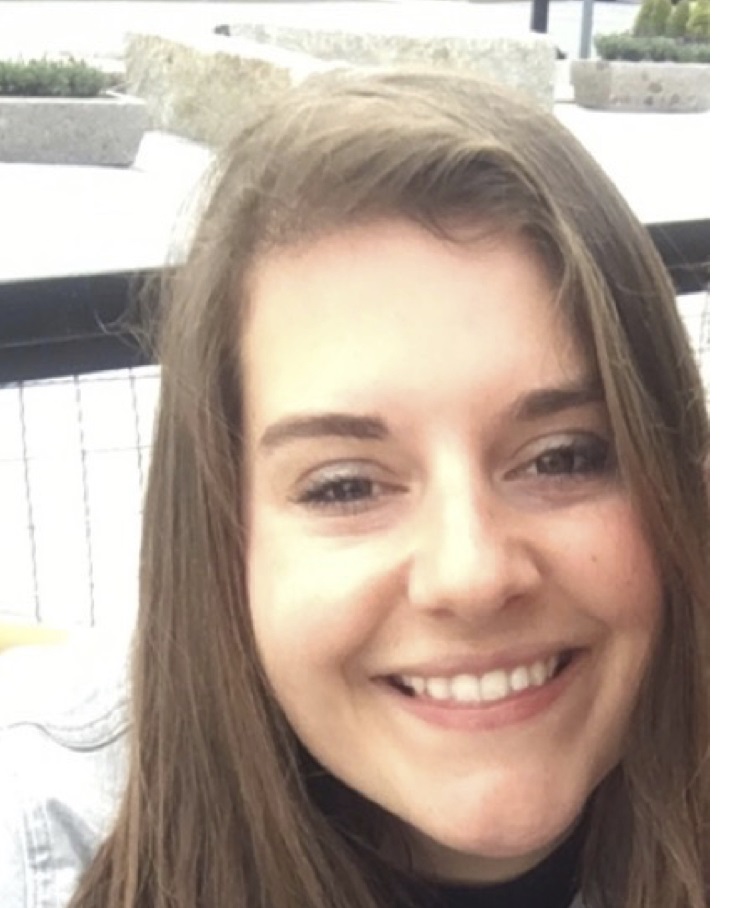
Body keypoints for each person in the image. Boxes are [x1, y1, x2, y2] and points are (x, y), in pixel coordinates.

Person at [0, 68, 708, 908]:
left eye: (562, 458)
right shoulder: (44, 844)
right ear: (221, 536)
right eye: (344, 487)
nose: (471, 576)